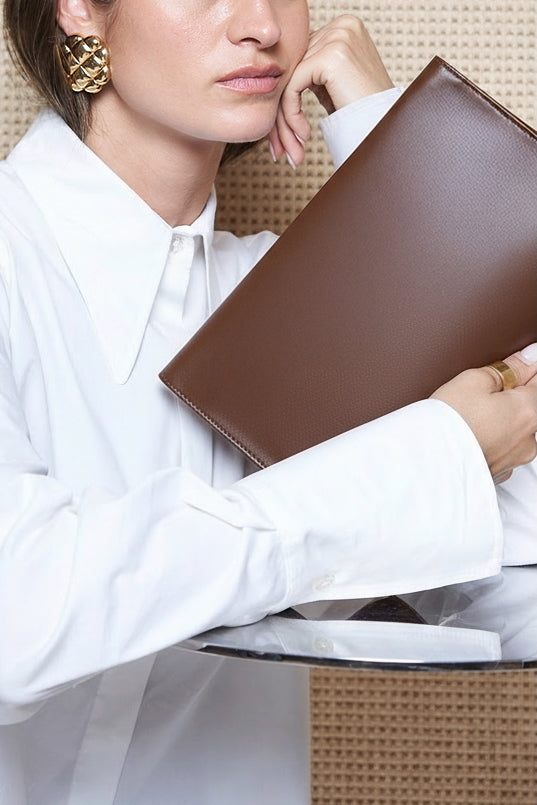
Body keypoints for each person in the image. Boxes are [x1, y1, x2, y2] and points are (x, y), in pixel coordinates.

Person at [0, 0, 535, 801]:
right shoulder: (16, 260)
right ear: (78, 8)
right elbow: (21, 620)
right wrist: (406, 473)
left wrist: (393, 142)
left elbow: (514, 575)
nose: (260, 24)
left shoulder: (292, 291)